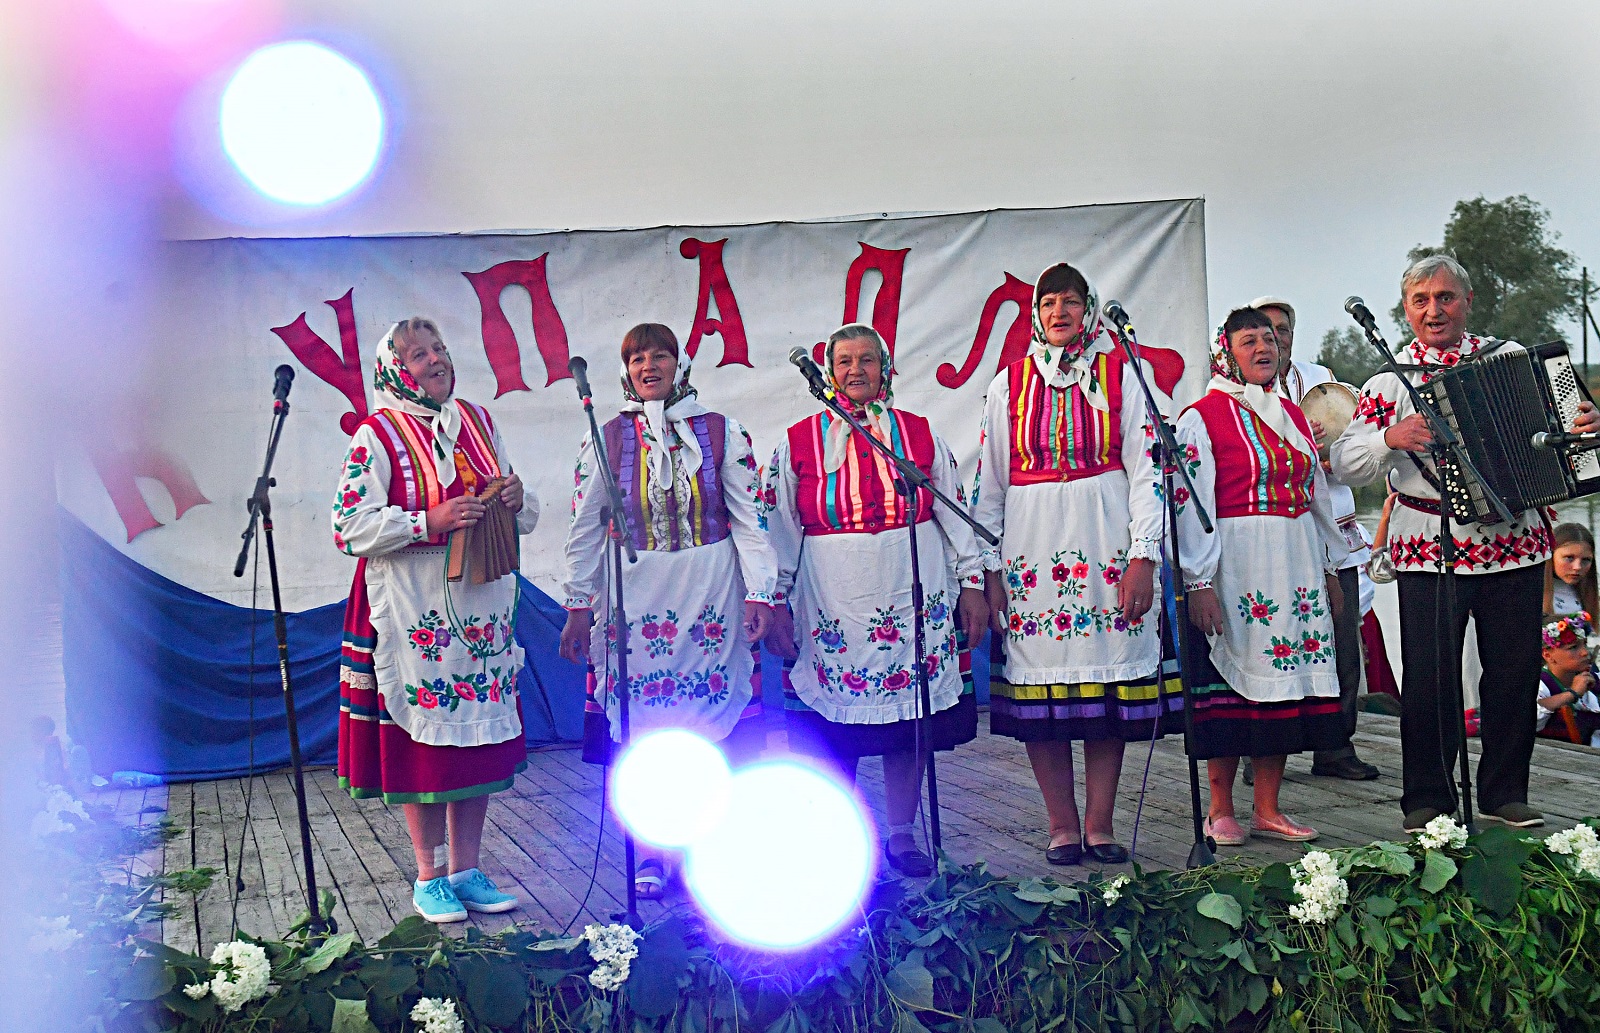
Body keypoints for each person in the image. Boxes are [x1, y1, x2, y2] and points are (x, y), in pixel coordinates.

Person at [1330, 253, 1600, 832]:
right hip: (1430, 549)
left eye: (1445, 298)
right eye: (1421, 301)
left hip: (1516, 544)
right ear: (1405, 309)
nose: (1434, 310)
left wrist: (1586, 425)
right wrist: (1389, 437)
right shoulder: (1387, 380)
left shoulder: (1511, 361)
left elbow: (1574, 438)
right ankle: (1426, 798)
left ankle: (1505, 791)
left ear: (1467, 302)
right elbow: (1345, 461)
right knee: (1429, 677)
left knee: (1513, 672)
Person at [970, 262, 1182, 867]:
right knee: (1045, 692)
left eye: (1070, 301)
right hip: (1033, 549)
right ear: (1035, 314)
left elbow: (1147, 476)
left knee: (1104, 687)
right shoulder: (1007, 384)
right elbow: (990, 486)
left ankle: (1100, 822)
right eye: (1048, 303)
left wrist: (1144, 558)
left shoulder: (1123, 377)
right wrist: (990, 569)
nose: (1058, 312)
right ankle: (1061, 824)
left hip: (1106, 540)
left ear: (1089, 310)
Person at [558, 323, 777, 899]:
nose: (648, 365)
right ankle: (654, 850)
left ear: (679, 364)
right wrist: (579, 606)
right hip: (636, 595)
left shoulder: (723, 432)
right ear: (625, 371)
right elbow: (583, 528)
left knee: (706, 727)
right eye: (636, 358)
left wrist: (762, 590)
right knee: (648, 732)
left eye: (659, 355)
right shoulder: (604, 438)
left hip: (709, 590)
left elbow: (750, 520)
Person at [762, 323, 988, 878]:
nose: (855, 370)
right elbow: (780, 529)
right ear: (829, 370)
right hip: (832, 600)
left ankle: (902, 834)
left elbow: (953, 511)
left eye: (867, 359)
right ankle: (837, 839)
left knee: (905, 725)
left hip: (912, 589)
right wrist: (777, 602)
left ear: (885, 369)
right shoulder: (797, 441)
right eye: (844, 361)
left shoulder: (917, 435)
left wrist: (974, 583)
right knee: (833, 728)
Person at [333, 318, 539, 923]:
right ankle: (429, 874)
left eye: (440, 350)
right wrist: (430, 520)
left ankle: (468, 869)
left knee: (474, 733)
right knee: (421, 739)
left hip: (478, 604)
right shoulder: (376, 434)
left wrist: (514, 497)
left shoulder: (478, 421)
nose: (435, 361)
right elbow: (350, 526)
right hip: (408, 602)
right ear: (397, 371)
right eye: (419, 355)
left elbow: (520, 514)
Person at [1177, 307, 1349, 846]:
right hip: (1239, 563)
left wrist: (1331, 566)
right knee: (1233, 683)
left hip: (1295, 559)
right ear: (1226, 352)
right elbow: (1192, 506)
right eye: (1249, 340)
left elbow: (1317, 496)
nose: (1263, 348)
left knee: (1284, 684)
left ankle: (1268, 809)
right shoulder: (1200, 417)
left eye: (1270, 339)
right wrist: (1199, 581)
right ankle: (1221, 808)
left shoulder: (1294, 416)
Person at [1251, 296, 1380, 781]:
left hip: (1333, 530)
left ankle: (1334, 747)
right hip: (1272, 534)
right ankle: (1263, 751)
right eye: (1264, 330)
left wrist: (1332, 455)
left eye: (1282, 329)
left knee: (1343, 641)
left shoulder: (1321, 378)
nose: (1274, 338)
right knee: (1271, 639)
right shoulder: (1234, 390)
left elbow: (1358, 445)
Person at [1536, 612, 1600, 747]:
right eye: (1573, 647)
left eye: (1585, 644)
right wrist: (1572, 693)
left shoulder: (1594, 680)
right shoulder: (1540, 685)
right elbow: (1529, 718)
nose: (1584, 652)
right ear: (1547, 655)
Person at [1544, 523, 1599, 618]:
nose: (1577, 567)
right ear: (1551, 555)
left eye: (1586, 560)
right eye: (1569, 558)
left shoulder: (1589, 598)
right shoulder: (1529, 594)